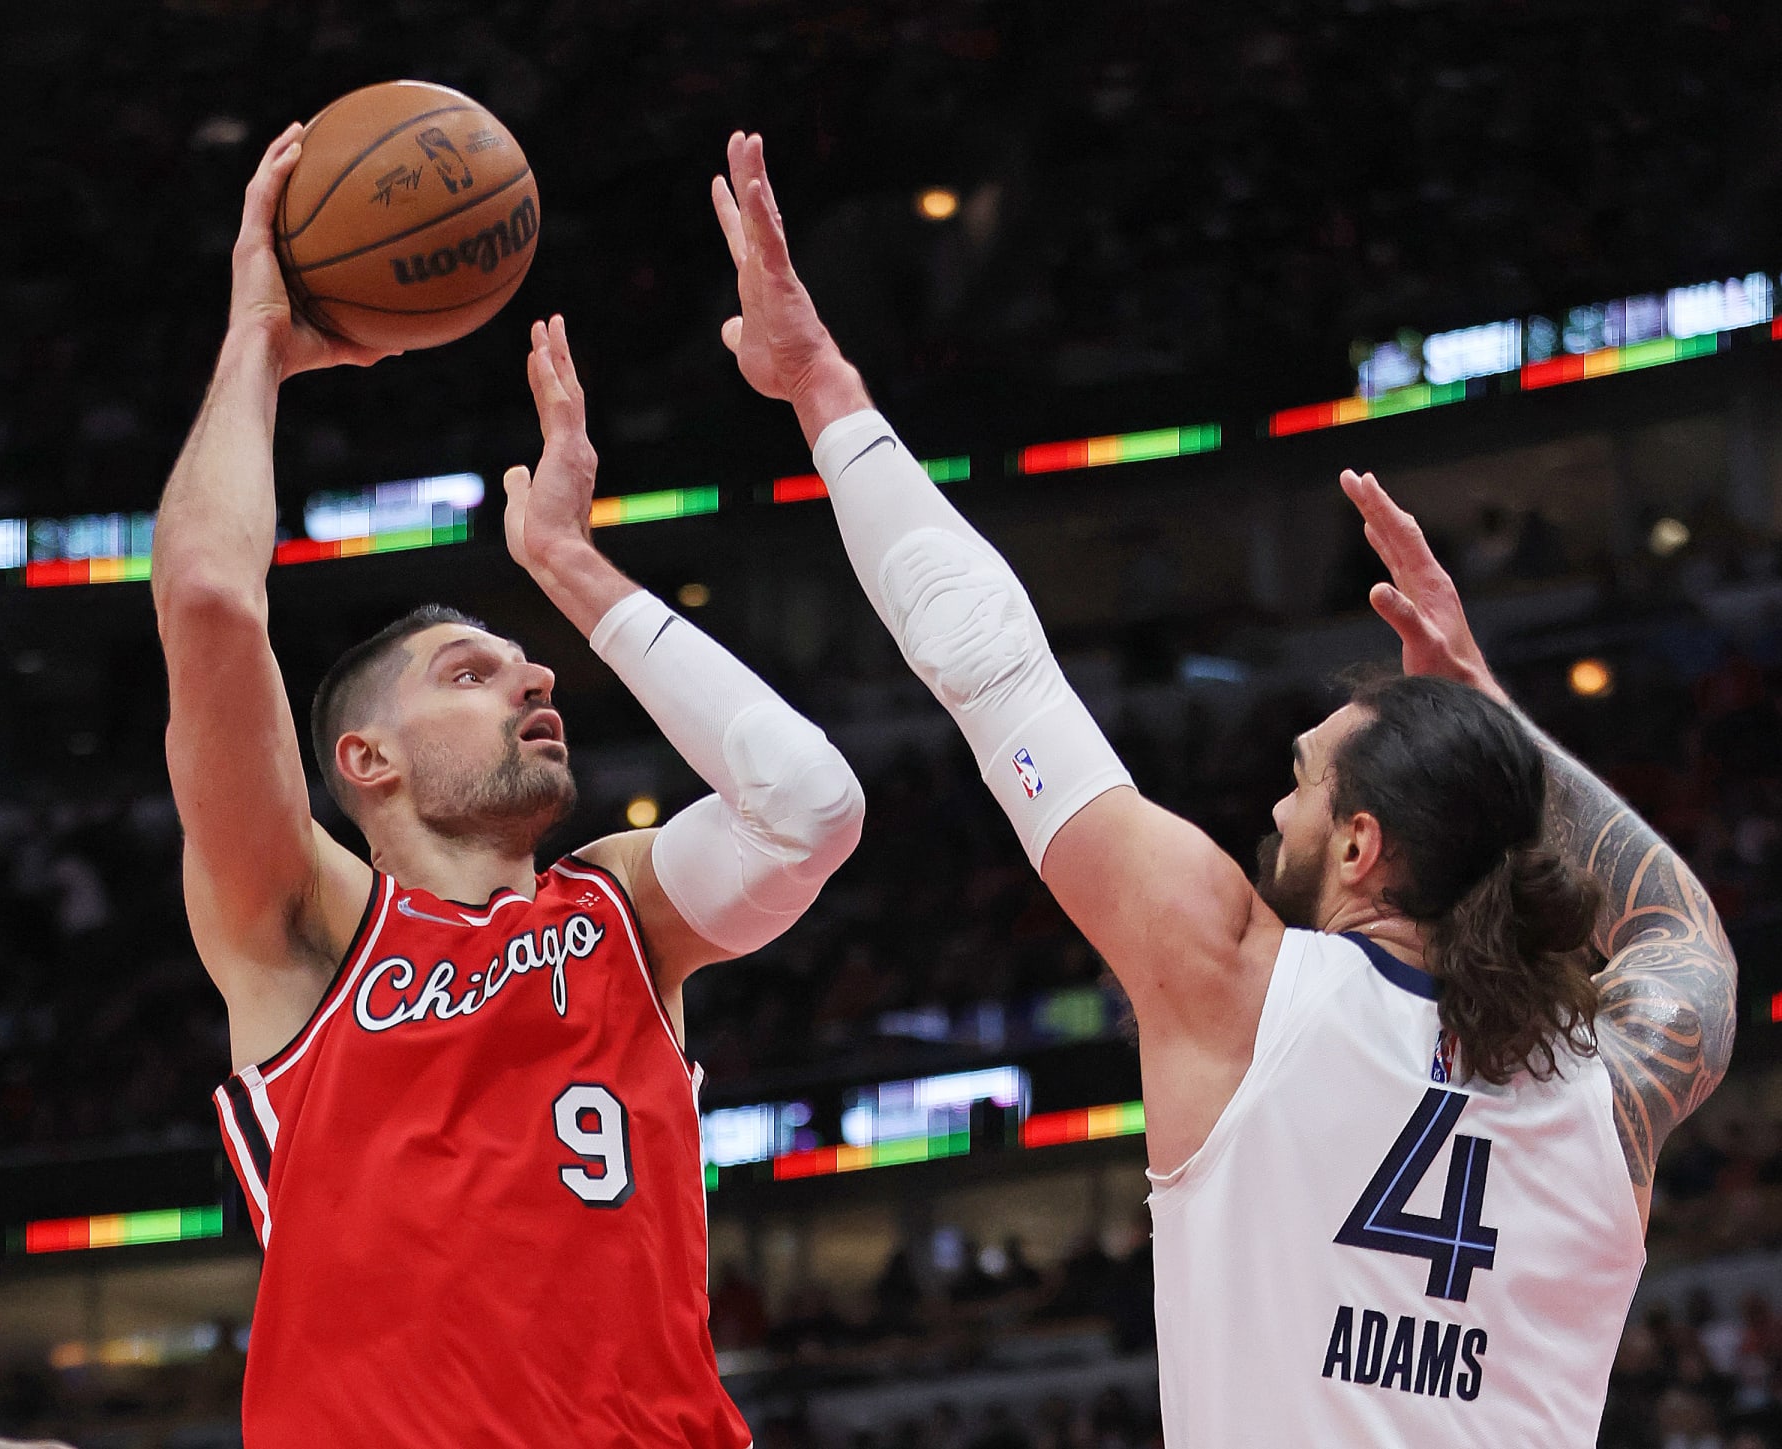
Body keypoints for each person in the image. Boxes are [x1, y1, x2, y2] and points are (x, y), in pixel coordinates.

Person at [709, 130, 1736, 1445]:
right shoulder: (1612, 1078)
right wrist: (1496, 723)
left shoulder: (1242, 983)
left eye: (1303, 781)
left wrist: (819, 384)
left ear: (1363, 844)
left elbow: (988, 662)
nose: (1275, 805)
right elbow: (1682, 936)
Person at [151, 124, 865, 1447]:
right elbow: (204, 594)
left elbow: (810, 804)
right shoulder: (310, 930)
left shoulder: (621, 913)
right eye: (470, 672)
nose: (535, 679)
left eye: (531, 663)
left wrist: (575, 572)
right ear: (362, 759)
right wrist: (261, 338)